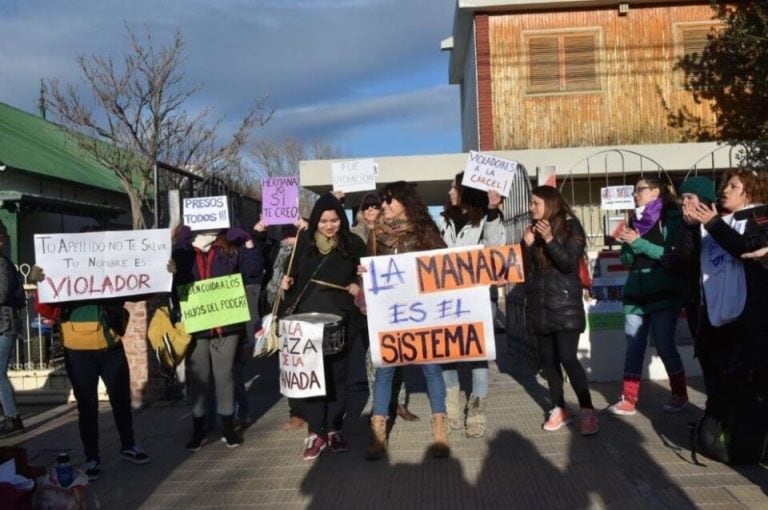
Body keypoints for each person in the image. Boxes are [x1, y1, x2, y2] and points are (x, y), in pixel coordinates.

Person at [31, 264, 151, 481]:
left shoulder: (108, 276)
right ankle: (92, 458)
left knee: (121, 400)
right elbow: (46, 309)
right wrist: (38, 283)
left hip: (111, 348)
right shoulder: (63, 281)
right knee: (87, 407)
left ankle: (128, 445)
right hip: (78, 353)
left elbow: (140, 289)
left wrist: (163, 271)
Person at [366, 181, 450, 460]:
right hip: (390, 316)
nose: (385, 206)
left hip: (422, 314)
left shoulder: (426, 231)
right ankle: (378, 435)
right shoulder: (376, 235)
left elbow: (447, 266)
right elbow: (368, 269)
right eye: (383, 201)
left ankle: (440, 431)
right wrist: (363, 274)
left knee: (431, 369)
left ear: (406, 202)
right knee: (385, 372)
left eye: (390, 200)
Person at [280, 192, 367, 460]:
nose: (329, 226)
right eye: (323, 221)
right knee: (314, 379)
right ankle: (315, 431)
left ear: (341, 219)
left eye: (334, 220)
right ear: (315, 221)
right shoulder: (302, 246)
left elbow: (367, 273)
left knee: (339, 377)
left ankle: (334, 428)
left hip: (342, 322)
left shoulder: (353, 244)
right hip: (307, 326)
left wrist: (359, 282)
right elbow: (289, 278)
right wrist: (285, 284)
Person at [683, 169, 768, 412]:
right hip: (712, 317)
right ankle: (717, 433)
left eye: (733, 186)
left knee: (745, 387)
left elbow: (746, 250)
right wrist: (689, 228)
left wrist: (712, 223)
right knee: (716, 385)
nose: (724, 191)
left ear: (749, 190)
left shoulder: (760, 216)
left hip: (746, 319)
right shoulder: (716, 220)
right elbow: (684, 260)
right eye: (724, 186)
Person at [172, 225, 263, 451]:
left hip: (227, 324)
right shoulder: (183, 251)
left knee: (225, 376)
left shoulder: (229, 247)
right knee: (199, 377)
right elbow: (172, 283)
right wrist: (178, 250)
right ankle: (198, 429)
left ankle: (227, 427)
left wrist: (248, 241)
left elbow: (253, 270)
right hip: (197, 324)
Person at [608, 176, 688, 416]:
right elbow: (626, 260)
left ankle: (680, 393)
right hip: (636, 293)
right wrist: (628, 247)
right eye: (634, 191)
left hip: (663, 292)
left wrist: (638, 242)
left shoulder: (671, 218)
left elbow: (668, 254)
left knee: (664, 345)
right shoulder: (634, 219)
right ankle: (628, 399)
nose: (635, 194)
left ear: (655, 192)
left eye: (639, 190)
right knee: (634, 346)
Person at [523, 185, 598, 435]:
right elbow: (528, 270)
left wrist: (548, 239)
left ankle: (587, 410)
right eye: (531, 204)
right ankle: (559, 408)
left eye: (536, 203)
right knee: (549, 361)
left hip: (565, 306)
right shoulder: (533, 231)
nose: (531, 208)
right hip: (540, 307)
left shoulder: (570, 227)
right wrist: (527, 246)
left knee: (567, 357)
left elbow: (567, 263)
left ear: (550, 204)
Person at [437, 172, 505, 438]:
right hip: (447, 297)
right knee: (448, 353)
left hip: (477, 298)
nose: (450, 191)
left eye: (454, 187)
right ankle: (452, 407)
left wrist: (492, 212)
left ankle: (476, 411)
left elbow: (494, 247)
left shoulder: (486, 219)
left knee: (478, 355)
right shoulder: (443, 220)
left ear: (464, 191)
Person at [352, 192, 419, 422]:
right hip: (366, 304)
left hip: (392, 302)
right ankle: (377, 404)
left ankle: (398, 402)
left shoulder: (391, 231)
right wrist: (356, 271)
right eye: (366, 205)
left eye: (374, 205)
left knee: (396, 352)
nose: (371, 209)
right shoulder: (353, 235)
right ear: (361, 210)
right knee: (373, 355)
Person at [0, 220, 23, 438]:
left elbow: (2, 293)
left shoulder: (1, 264)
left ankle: (13, 418)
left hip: (4, 326)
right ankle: (10, 416)